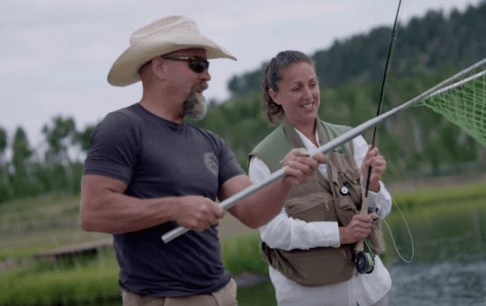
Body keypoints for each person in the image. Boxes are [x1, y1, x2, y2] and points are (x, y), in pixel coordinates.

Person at [79, 16, 324, 306]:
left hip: (221, 293)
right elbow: (93, 212)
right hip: (164, 298)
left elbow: (252, 212)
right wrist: (174, 207)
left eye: (207, 66)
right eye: (197, 64)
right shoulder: (121, 127)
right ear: (159, 67)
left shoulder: (209, 142)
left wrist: (285, 178)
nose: (207, 76)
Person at [248, 50, 393, 306]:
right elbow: (273, 232)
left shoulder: (349, 137)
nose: (309, 95)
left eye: (313, 84)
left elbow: (383, 208)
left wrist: (372, 185)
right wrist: (340, 234)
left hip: (372, 291)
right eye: (297, 88)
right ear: (275, 95)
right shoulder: (263, 159)